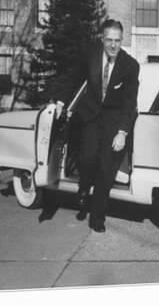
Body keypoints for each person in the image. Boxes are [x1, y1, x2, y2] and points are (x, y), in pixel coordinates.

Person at [54, 19, 140, 233]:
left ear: (122, 41)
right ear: (102, 39)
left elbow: (130, 102)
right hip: (90, 116)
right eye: (109, 40)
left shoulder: (130, 66)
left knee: (105, 171)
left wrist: (122, 133)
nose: (113, 45)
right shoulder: (90, 54)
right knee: (87, 157)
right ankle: (83, 187)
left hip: (113, 122)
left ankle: (97, 217)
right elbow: (73, 77)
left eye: (117, 41)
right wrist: (61, 101)